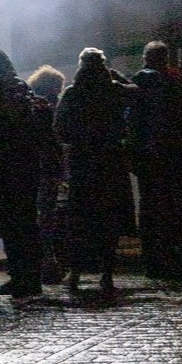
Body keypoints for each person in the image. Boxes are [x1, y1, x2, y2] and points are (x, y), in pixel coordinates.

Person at [55, 47, 134, 297]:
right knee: (108, 220)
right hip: (110, 161)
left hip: (82, 163)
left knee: (79, 220)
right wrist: (117, 76)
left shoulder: (72, 93)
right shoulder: (114, 90)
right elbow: (139, 94)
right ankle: (107, 274)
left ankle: (76, 272)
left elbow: (59, 129)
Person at [0, 48, 52, 298]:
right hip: (29, 163)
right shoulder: (23, 88)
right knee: (29, 222)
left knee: (11, 223)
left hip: (8, 165)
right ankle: (33, 277)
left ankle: (19, 277)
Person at [129, 40, 182, 275]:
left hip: (148, 154)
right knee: (174, 203)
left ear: (147, 58)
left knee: (148, 206)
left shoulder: (141, 81)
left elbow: (133, 119)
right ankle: (177, 252)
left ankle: (153, 258)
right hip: (174, 153)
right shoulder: (176, 82)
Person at [26, 65, 67, 284]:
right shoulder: (45, 109)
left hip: (33, 170)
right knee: (46, 217)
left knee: (40, 216)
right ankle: (48, 263)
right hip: (46, 169)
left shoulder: (28, 104)